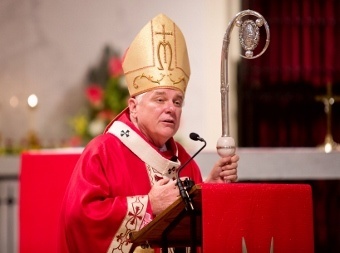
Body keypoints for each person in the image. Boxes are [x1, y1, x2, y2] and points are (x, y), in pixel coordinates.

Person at [59, 13, 239, 253]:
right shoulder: (103, 151)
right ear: (133, 107)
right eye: (160, 99)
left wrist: (209, 189)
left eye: (177, 102)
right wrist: (148, 205)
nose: (170, 109)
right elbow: (78, 218)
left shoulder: (184, 159)